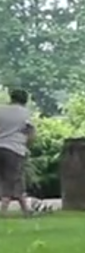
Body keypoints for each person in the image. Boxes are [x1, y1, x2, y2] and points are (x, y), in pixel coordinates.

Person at [0, 88, 35, 216]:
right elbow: (30, 132)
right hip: (15, 148)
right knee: (13, 178)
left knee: (14, 179)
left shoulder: (1, 110)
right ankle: (3, 210)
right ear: (25, 100)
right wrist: (28, 146)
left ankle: (26, 209)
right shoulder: (24, 113)